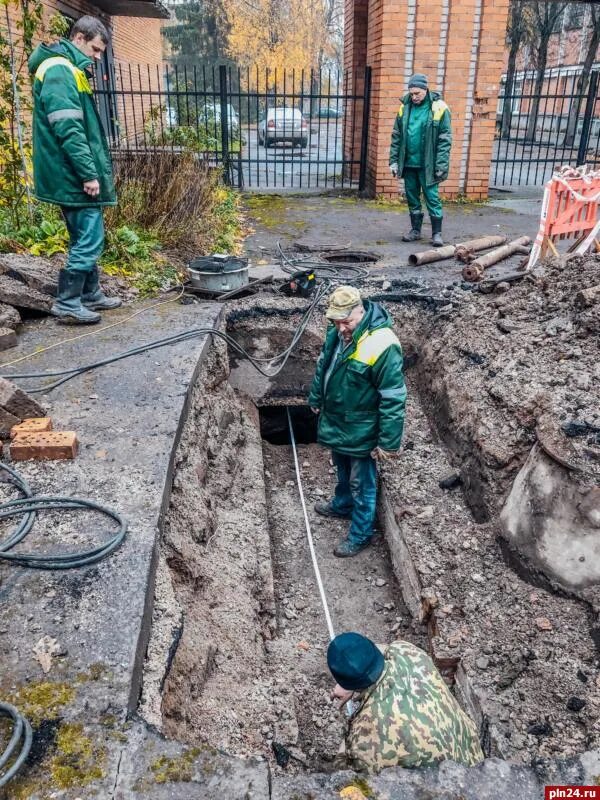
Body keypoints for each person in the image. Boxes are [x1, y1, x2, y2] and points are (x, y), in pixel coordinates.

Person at [29, 16, 122, 324]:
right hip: (70, 175)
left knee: (84, 235)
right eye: (95, 49)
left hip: (67, 172)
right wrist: (88, 173)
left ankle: (89, 293)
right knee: (91, 236)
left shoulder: (69, 69)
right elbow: (69, 128)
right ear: (79, 38)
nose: (97, 58)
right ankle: (68, 301)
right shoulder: (59, 70)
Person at [308, 286, 406, 558]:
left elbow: (393, 396)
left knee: (362, 482)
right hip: (339, 419)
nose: (341, 328)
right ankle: (342, 505)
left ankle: (361, 534)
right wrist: (317, 397)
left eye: (346, 321)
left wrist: (388, 442)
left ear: (360, 311)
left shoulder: (384, 344)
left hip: (362, 426)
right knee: (341, 466)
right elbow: (324, 367)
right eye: (336, 322)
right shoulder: (337, 332)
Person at [328, 632, 484, 773]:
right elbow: (382, 649)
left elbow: (345, 776)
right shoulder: (407, 650)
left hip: (447, 789)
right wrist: (352, 682)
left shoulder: (366, 738)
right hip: (476, 765)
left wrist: (347, 740)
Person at [389, 73, 452, 248]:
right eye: (411, 93)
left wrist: (441, 165)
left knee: (432, 197)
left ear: (425, 89)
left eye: (417, 93)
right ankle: (415, 231)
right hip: (409, 162)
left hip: (428, 164)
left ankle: (436, 234)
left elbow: (444, 139)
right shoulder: (404, 108)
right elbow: (396, 135)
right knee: (412, 197)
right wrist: (393, 160)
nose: (414, 96)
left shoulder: (439, 107)